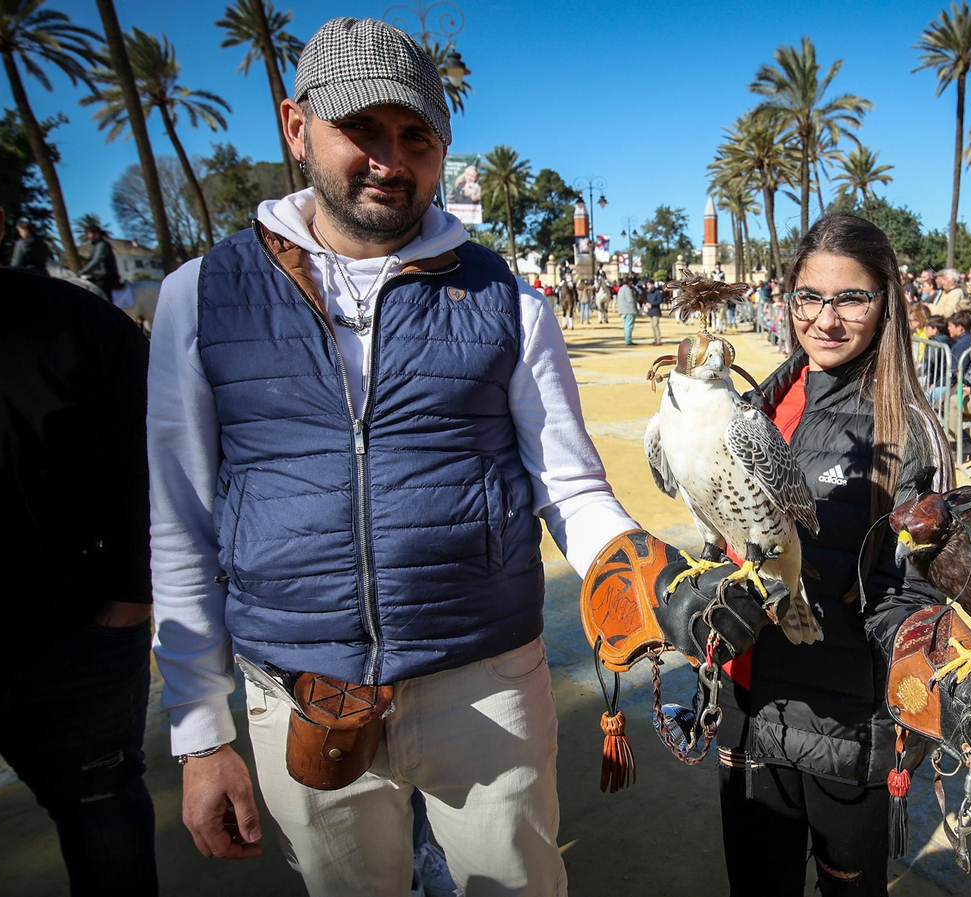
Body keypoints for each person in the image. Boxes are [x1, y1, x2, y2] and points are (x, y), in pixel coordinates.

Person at [146, 20, 776, 896]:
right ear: (297, 128)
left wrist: (658, 577)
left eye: (416, 136)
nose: (388, 158)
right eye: (359, 129)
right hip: (301, 691)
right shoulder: (200, 296)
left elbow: (571, 485)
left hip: (487, 686)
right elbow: (181, 524)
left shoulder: (510, 302)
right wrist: (201, 734)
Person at [718, 213, 971, 896]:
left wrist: (934, 657)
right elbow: (729, 538)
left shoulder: (907, 427)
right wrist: (705, 594)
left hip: (845, 727)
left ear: (886, 301)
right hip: (746, 706)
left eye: (851, 297)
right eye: (810, 296)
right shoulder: (757, 405)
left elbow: (914, 590)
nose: (826, 318)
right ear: (788, 299)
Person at [0, 140, 157, 893]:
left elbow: (147, 459)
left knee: (104, 825)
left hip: (72, 647)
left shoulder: (78, 326)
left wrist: (131, 599)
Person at [77, 219, 121, 298]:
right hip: (99, 276)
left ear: (96, 234)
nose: (87, 236)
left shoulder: (102, 245)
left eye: (89, 234)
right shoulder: (96, 246)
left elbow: (96, 261)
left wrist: (82, 272)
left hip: (106, 278)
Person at [617, 276, 638, 345]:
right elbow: (630, 300)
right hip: (629, 310)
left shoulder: (621, 289)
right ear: (628, 282)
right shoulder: (627, 289)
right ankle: (628, 340)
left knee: (626, 326)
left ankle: (627, 339)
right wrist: (635, 309)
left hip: (622, 310)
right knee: (629, 326)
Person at [645, 279, 664, 345]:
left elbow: (660, 300)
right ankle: (655, 339)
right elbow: (646, 299)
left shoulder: (657, 292)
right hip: (650, 311)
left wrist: (652, 304)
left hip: (656, 311)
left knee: (656, 325)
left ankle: (658, 340)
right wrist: (646, 303)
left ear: (652, 284)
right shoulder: (648, 292)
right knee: (653, 326)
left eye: (648, 285)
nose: (647, 286)